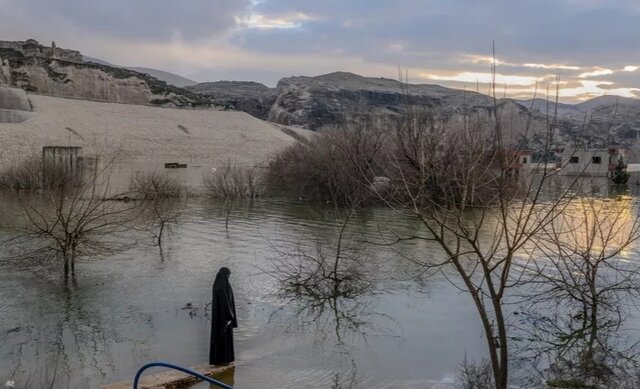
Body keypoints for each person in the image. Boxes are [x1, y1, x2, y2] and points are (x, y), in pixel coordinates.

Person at [209, 267, 237, 365]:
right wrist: (229, 317)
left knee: (219, 339)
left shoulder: (218, 286)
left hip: (218, 320)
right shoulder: (223, 288)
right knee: (223, 340)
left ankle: (219, 360)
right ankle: (224, 360)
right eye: (228, 275)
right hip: (224, 319)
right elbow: (225, 305)